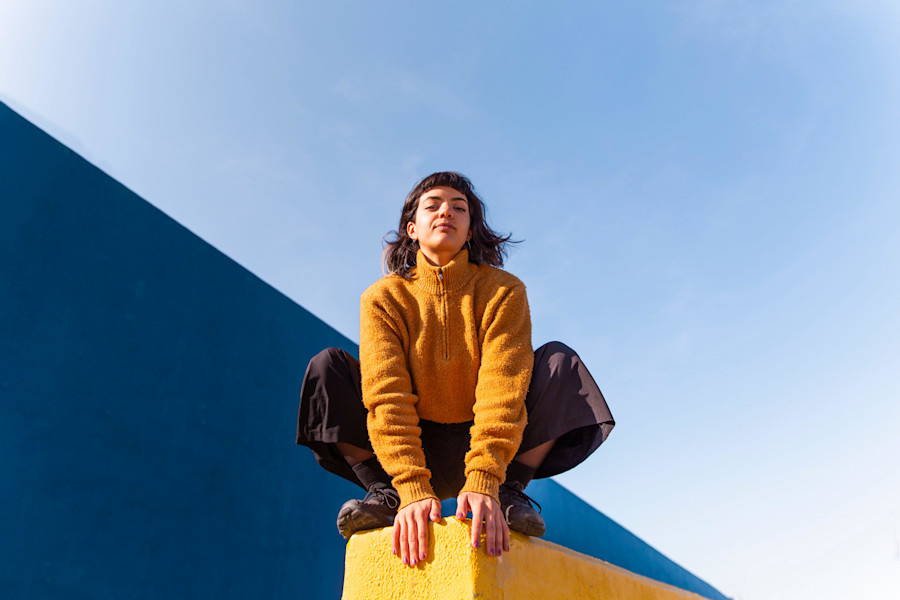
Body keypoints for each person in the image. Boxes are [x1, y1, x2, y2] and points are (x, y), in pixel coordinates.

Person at [296, 171, 614, 568]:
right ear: (412, 228)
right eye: (433, 205)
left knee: (559, 362)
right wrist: (411, 486)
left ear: (469, 230)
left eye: (459, 208)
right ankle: (383, 493)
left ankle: (511, 490)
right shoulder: (383, 298)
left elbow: (503, 388)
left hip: (485, 446)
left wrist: (486, 479)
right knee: (328, 366)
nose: (446, 211)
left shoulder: (504, 291)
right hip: (409, 450)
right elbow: (386, 394)